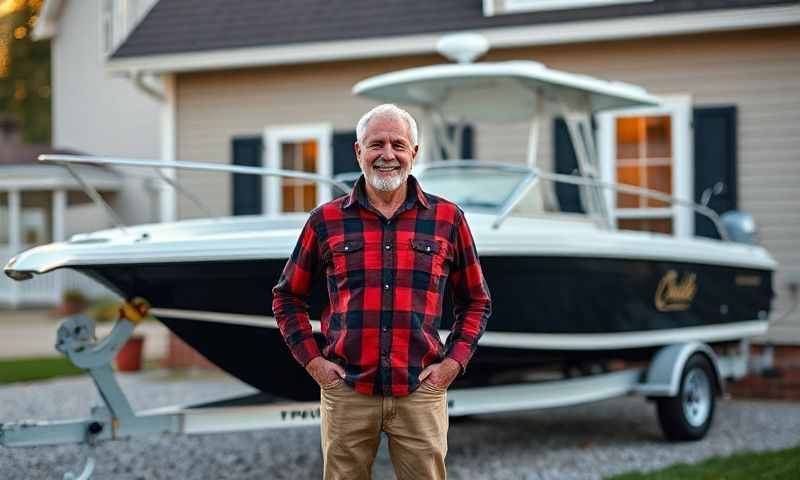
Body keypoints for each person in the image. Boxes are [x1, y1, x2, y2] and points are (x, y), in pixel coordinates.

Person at [272, 104, 491, 480]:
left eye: (398, 144)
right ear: (358, 151)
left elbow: (476, 301)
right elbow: (286, 297)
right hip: (347, 392)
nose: (387, 155)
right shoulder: (325, 221)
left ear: (414, 154)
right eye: (376, 144)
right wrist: (315, 364)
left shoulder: (447, 219)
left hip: (420, 390)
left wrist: (452, 365)